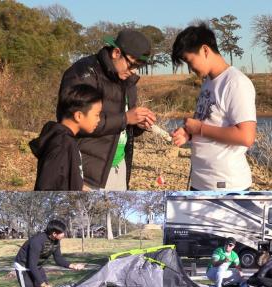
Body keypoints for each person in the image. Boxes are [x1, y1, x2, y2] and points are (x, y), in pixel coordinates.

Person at [57, 29, 156, 191]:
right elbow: (72, 124)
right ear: (117, 53)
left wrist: (138, 125)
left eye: (139, 67)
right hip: (88, 173)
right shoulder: (83, 73)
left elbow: (123, 125)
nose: (134, 71)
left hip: (119, 166)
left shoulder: (127, 79)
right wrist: (126, 118)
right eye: (133, 64)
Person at [171, 24, 257, 191]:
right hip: (201, 181)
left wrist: (200, 128)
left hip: (226, 185)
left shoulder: (236, 83)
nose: (190, 69)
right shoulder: (208, 83)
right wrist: (188, 133)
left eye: (189, 61)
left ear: (205, 50)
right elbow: (211, 120)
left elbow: (246, 136)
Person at [29, 84, 102, 191]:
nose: (99, 119)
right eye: (97, 114)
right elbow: (46, 188)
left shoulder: (66, 140)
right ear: (79, 116)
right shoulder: (61, 144)